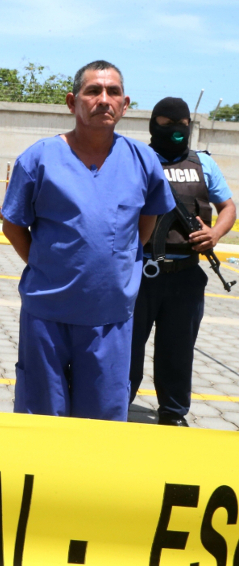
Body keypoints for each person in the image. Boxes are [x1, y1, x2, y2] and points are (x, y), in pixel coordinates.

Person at [1, 60, 175, 421]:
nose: (104, 99)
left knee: (101, 421)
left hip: (109, 317)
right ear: (72, 102)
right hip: (46, 312)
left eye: (113, 92)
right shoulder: (39, 158)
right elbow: (13, 226)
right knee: (41, 417)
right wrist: (49, 266)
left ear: (125, 105)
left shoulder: (142, 160)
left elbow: (146, 223)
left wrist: (115, 263)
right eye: (93, 91)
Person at [130, 97, 236, 427]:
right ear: (153, 125)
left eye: (182, 125)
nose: (175, 130)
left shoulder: (203, 163)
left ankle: (173, 414)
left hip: (186, 274)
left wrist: (215, 234)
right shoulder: (137, 159)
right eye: (166, 124)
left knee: (178, 350)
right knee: (127, 347)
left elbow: (228, 207)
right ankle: (115, 404)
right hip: (140, 271)